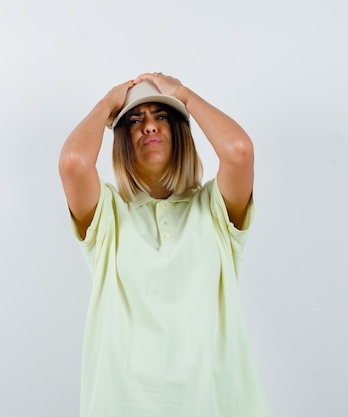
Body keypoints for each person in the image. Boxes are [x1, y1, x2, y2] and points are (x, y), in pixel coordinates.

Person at [58, 72, 271, 417]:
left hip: (215, 405)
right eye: (136, 120)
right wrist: (107, 104)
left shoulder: (214, 209)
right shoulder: (109, 215)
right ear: (124, 139)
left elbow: (238, 151)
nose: (150, 126)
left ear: (180, 132)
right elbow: (74, 164)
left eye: (161, 116)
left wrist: (184, 95)